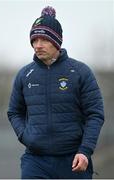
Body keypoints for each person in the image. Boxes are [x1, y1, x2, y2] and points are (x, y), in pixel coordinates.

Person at [7, 6, 104, 179]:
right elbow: (14, 112)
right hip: (35, 161)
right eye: (34, 40)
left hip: (73, 160)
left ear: (57, 41)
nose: (37, 45)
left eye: (43, 40)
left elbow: (95, 114)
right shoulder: (24, 75)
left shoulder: (80, 72)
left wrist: (85, 151)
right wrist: (25, 136)